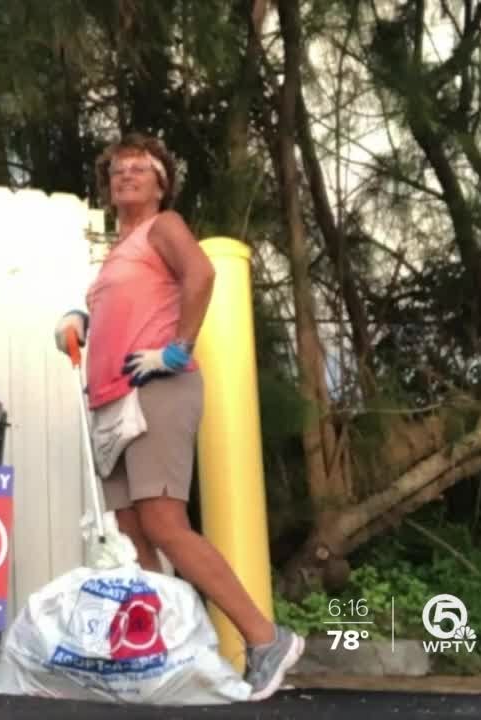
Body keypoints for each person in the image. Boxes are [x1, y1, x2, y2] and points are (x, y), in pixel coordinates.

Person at [53, 132, 303, 700]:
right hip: (111, 400)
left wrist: (178, 348)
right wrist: (81, 318)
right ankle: (164, 654)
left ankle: (267, 639)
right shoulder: (116, 253)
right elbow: (127, 307)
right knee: (129, 533)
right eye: (118, 168)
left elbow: (202, 274)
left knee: (164, 523)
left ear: (162, 182)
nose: (127, 174)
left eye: (141, 167)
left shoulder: (163, 227)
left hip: (156, 390)